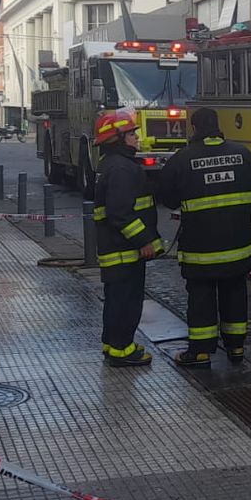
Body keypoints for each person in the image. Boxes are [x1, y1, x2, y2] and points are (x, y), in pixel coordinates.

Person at [155, 108, 251, 368]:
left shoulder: (182, 159)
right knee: (235, 293)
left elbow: (167, 199)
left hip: (201, 248)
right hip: (238, 246)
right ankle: (236, 348)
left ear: (194, 128)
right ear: (217, 125)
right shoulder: (243, 154)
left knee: (201, 297)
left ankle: (200, 352)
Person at [91, 110, 162, 367]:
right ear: (119, 138)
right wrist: (144, 241)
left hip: (115, 248)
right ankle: (123, 350)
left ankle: (112, 344)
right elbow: (120, 213)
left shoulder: (111, 164)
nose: (137, 137)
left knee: (115, 300)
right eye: (132, 133)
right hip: (125, 250)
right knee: (127, 302)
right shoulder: (122, 168)